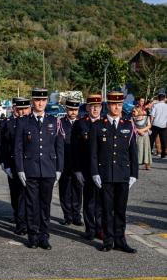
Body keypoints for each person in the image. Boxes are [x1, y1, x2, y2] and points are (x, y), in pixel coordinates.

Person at [14, 88, 64, 250]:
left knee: (45, 205)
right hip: (30, 170)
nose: (40, 103)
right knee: (31, 205)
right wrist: (20, 169)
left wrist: (59, 169)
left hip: (49, 169)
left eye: (43, 100)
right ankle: (33, 236)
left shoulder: (54, 121)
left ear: (46, 102)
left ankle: (44, 236)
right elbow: (18, 149)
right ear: (32, 102)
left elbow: (59, 147)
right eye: (37, 100)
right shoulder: (23, 122)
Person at [90, 91, 139, 253]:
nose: (116, 107)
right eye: (113, 104)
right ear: (108, 105)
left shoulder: (128, 124)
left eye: (119, 104)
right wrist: (95, 172)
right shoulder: (98, 125)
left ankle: (121, 240)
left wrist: (134, 174)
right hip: (105, 175)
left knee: (120, 210)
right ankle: (108, 240)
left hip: (123, 175)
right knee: (106, 209)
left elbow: (133, 152)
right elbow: (93, 153)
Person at [0, 97, 30, 235]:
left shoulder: (30, 121)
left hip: (28, 164)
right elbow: (0, 144)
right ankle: (19, 218)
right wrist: (3, 164)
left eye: (22, 108)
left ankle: (25, 223)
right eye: (16, 108)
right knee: (16, 195)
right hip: (12, 165)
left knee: (27, 195)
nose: (19, 111)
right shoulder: (7, 122)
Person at [72, 94, 103, 241]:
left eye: (97, 107)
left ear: (101, 108)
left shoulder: (105, 123)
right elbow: (75, 148)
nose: (95, 109)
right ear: (88, 108)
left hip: (102, 169)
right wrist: (77, 169)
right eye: (92, 107)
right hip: (85, 168)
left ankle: (100, 228)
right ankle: (90, 229)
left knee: (102, 201)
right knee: (89, 200)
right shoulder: (80, 124)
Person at [58, 98, 83, 226]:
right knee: (65, 189)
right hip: (64, 161)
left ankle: (77, 215)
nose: (73, 112)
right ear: (66, 109)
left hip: (78, 163)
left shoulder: (82, 123)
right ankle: (67, 216)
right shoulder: (60, 123)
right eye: (71, 109)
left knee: (78, 189)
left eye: (75, 110)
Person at [133, 106, 152, 170]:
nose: (133, 112)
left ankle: (147, 164)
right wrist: (139, 131)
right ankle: (137, 163)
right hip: (137, 136)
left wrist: (142, 130)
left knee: (146, 149)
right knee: (138, 150)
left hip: (145, 136)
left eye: (134, 111)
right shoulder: (133, 118)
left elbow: (149, 125)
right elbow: (132, 127)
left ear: (139, 111)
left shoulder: (146, 117)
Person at [149, 93, 167, 158]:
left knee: (151, 140)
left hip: (155, 124)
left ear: (158, 98)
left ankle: (149, 153)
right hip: (163, 125)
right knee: (163, 140)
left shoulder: (155, 106)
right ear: (164, 98)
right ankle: (163, 154)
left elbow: (152, 116)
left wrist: (150, 124)